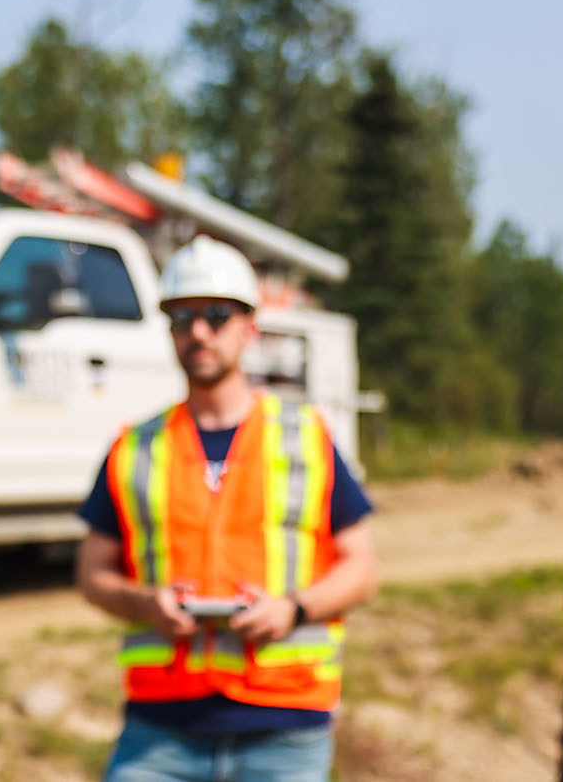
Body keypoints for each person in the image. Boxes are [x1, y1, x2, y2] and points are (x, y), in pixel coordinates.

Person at [76, 234, 379, 782]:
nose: (198, 332)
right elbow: (92, 573)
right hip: (159, 732)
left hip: (285, 728)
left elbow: (361, 569)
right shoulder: (134, 447)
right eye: (182, 317)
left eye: (216, 316)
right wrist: (147, 604)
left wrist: (294, 608)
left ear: (249, 328)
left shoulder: (307, 438)